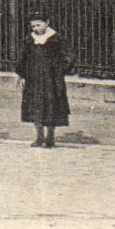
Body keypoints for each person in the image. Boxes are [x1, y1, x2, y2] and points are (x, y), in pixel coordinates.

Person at [15, 12, 71, 149]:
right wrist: (21, 74)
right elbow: (22, 58)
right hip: (33, 79)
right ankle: (39, 136)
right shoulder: (29, 40)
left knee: (51, 106)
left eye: (39, 24)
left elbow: (68, 57)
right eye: (33, 26)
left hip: (51, 81)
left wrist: (59, 71)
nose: (36, 28)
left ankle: (50, 136)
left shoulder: (56, 39)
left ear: (47, 23)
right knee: (35, 107)